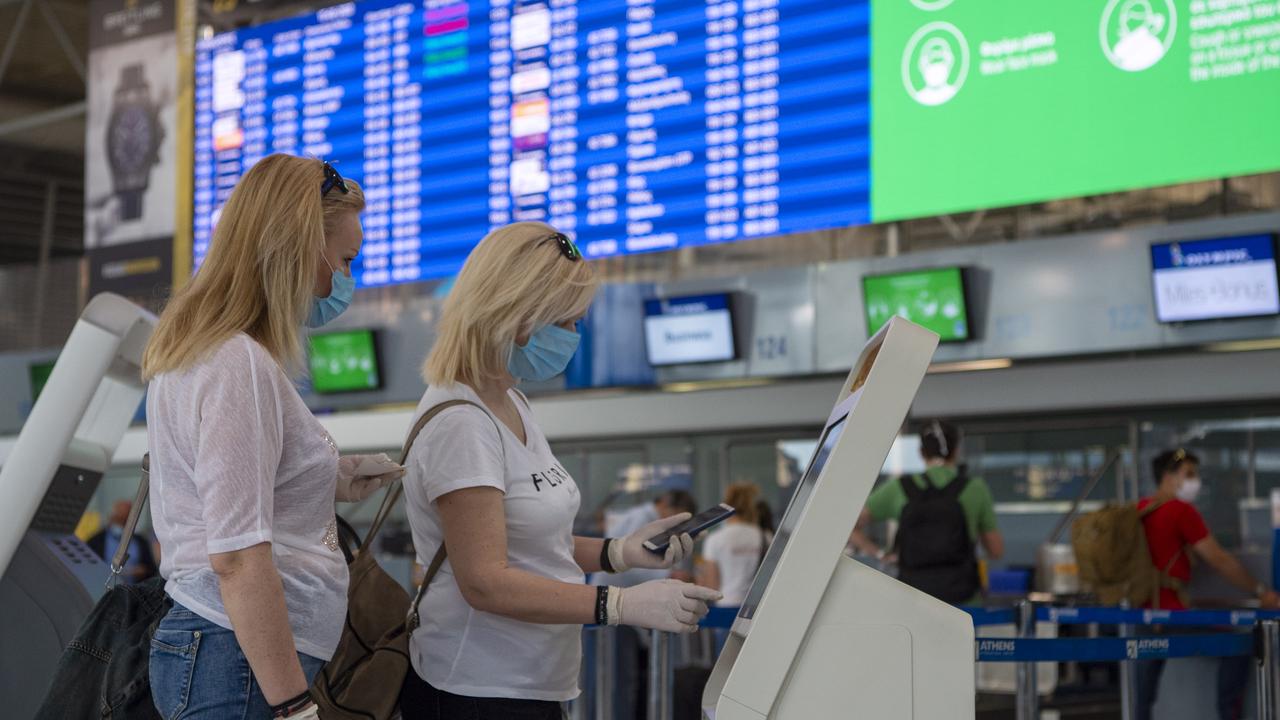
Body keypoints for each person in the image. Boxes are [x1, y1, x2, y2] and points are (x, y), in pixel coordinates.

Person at [400, 222, 720, 719]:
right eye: (568, 322)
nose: (574, 337)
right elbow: (485, 580)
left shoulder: (512, 402)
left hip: (532, 683)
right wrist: (620, 605)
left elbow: (526, 540)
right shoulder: (461, 423)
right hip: (478, 691)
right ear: (519, 316)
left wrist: (621, 551)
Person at [141, 155, 404, 719]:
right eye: (344, 259)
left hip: (231, 651)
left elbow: (224, 493)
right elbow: (236, 554)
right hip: (235, 657)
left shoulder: (208, 351)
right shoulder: (237, 361)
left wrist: (331, 480)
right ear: (299, 246)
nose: (345, 279)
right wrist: (292, 705)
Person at [1134, 449, 1280, 720]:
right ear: (1168, 477)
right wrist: (1261, 591)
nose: (1195, 481)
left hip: (1139, 613)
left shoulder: (1140, 509)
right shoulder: (1179, 511)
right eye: (1189, 474)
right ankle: (1227, 715)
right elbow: (1218, 558)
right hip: (1171, 616)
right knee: (1236, 645)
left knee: (1142, 699)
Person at [850, 420, 1002, 605]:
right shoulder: (975, 488)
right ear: (956, 451)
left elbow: (849, 527)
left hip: (913, 601)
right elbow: (995, 550)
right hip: (964, 600)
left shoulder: (900, 487)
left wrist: (881, 554)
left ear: (921, 452)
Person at [699, 483, 771, 608]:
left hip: (726, 606)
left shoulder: (715, 539)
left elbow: (712, 585)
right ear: (752, 508)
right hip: (756, 607)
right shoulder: (766, 536)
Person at [86, 499, 157, 583]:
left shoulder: (141, 542)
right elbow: (87, 568)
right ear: (111, 517)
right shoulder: (95, 541)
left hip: (132, 590)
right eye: (118, 519)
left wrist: (143, 571)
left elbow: (151, 569)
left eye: (124, 520)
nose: (120, 525)